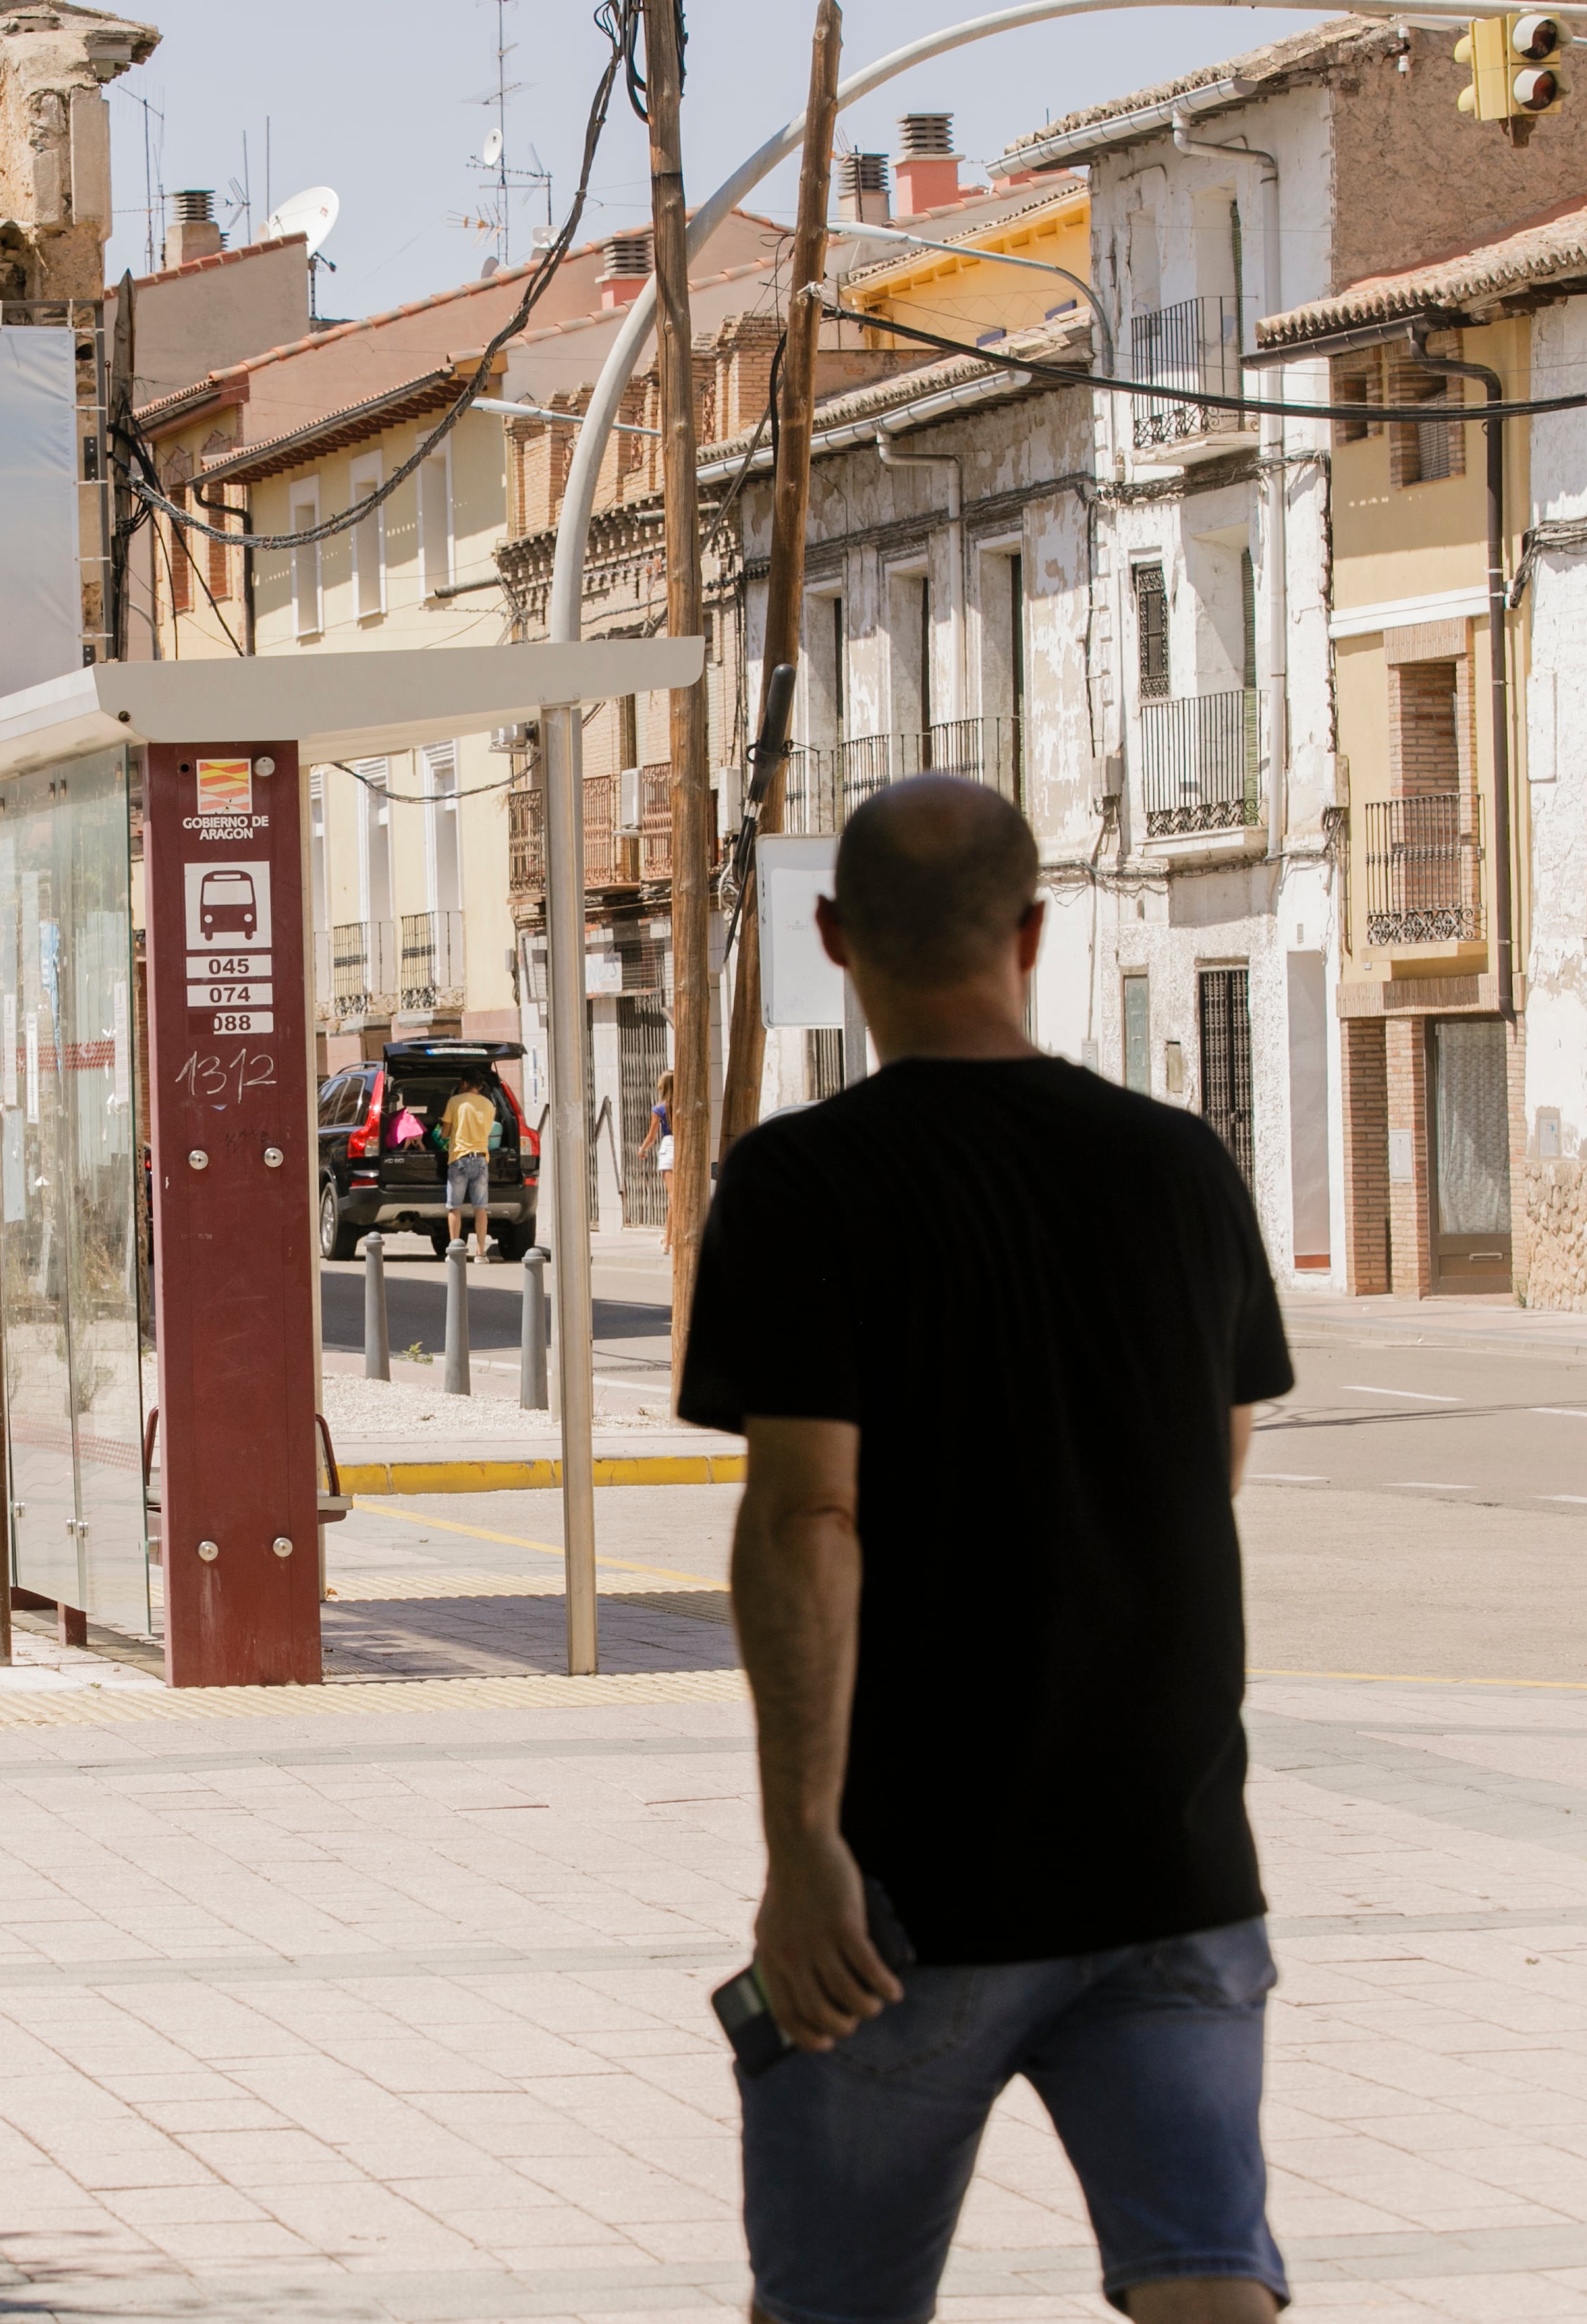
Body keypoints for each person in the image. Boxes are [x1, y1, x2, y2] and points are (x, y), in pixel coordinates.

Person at [677, 773, 1293, 2324]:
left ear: (830, 937)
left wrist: (802, 1847)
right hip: (1171, 1859)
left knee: (834, 2307)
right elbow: (1207, 1465)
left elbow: (809, 1513)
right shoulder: (1178, 1165)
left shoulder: (800, 1184)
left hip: (906, 1891)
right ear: (1032, 928)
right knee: (1208, 2290)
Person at [439, 1072, 501, 1259]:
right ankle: (481, 1253)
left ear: (464, 1083)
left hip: (459, 1157)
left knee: (454, 1207)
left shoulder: (455, 1101)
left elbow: (445, 1133)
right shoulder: (489, 1105)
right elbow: (489, 1129)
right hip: (481, 1158)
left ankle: (455, 1251)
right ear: (480, 1086)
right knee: (481, 1208)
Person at [646, 1068, 677, 1249]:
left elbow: (652, 1136)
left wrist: (642, 1149)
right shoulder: (679, 1106)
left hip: (668, 1147)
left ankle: (671, 1238)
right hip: (681, 1148)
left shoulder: (660, 1108)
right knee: (674, 1198)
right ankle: (668, 1240)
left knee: (673, 1197)